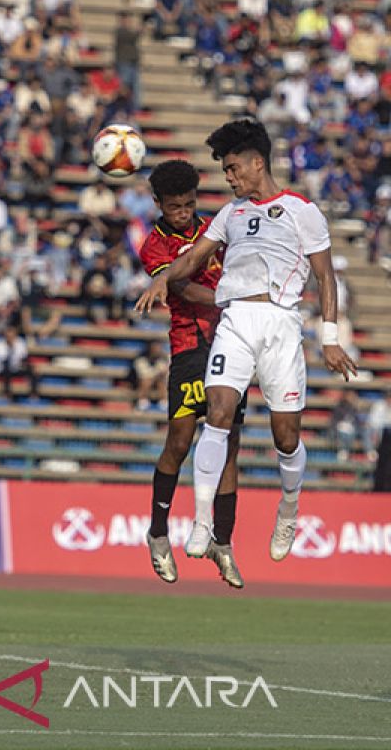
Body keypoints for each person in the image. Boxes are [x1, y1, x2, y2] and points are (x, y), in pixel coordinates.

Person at [136, 121, 358, 569]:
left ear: (259, 163)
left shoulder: (302, 210)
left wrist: (329, 338)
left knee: (286, 436)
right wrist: (164, 278)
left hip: (280, 324)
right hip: (233, 321)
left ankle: (289, 510)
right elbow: (195, 257)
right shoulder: (230, 213)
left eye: (234, 168)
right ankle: (201, 523)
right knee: (216, 417)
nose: (230, 178)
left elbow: (325, 276)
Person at [136, 160, 248, 587]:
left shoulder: (217, 229)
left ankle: (223, 540)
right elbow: (179, 287)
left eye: (188, 205)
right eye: (174, 207)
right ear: (159, 204)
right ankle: (158, 532)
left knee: (230, 445)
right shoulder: (154, 246)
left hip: (232, 345)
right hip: (188, 348)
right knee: (179, 442)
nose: (182, 213)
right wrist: (229, 298)